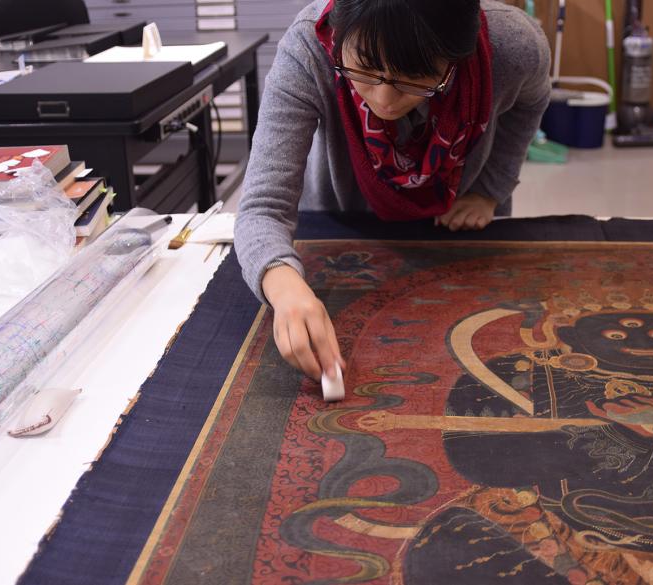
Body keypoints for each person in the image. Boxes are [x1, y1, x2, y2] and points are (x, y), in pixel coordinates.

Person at [234, 0, 551, 382]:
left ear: (456, 59)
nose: (384, 100)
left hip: (462, 224)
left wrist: (490, 189)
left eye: (414, 77)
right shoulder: (308, 48)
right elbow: (262, 206)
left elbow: (532, 100)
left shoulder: (511, 47)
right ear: (337, 36)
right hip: (344, 218)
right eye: (363, 69)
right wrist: (283, 286)